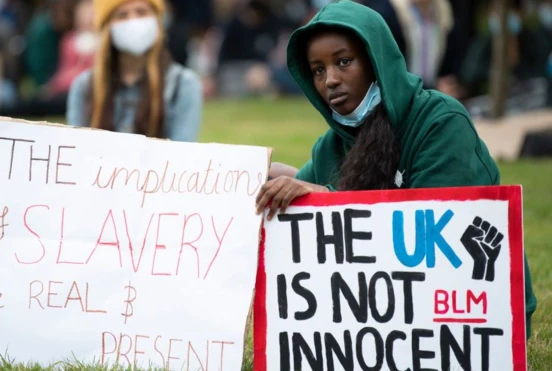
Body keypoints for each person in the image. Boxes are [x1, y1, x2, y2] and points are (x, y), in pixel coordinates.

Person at [255, 0, 536, 340]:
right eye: (317, 70)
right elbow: (310, 194)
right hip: (384, 330)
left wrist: (328, 198)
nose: (330, 80)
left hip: (471, 321)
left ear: (377, 61)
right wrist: (267, 180)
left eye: (344, 62)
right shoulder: (330, 146)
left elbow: (441, 234)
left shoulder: (441, 122)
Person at [66, 0, 203, 142]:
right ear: (107, 27)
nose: (133, 21)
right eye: (122, 15)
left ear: (157, 20)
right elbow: (78, 150)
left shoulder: (183, 84)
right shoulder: (84, 86)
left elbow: (182, 153)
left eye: (141, 12)